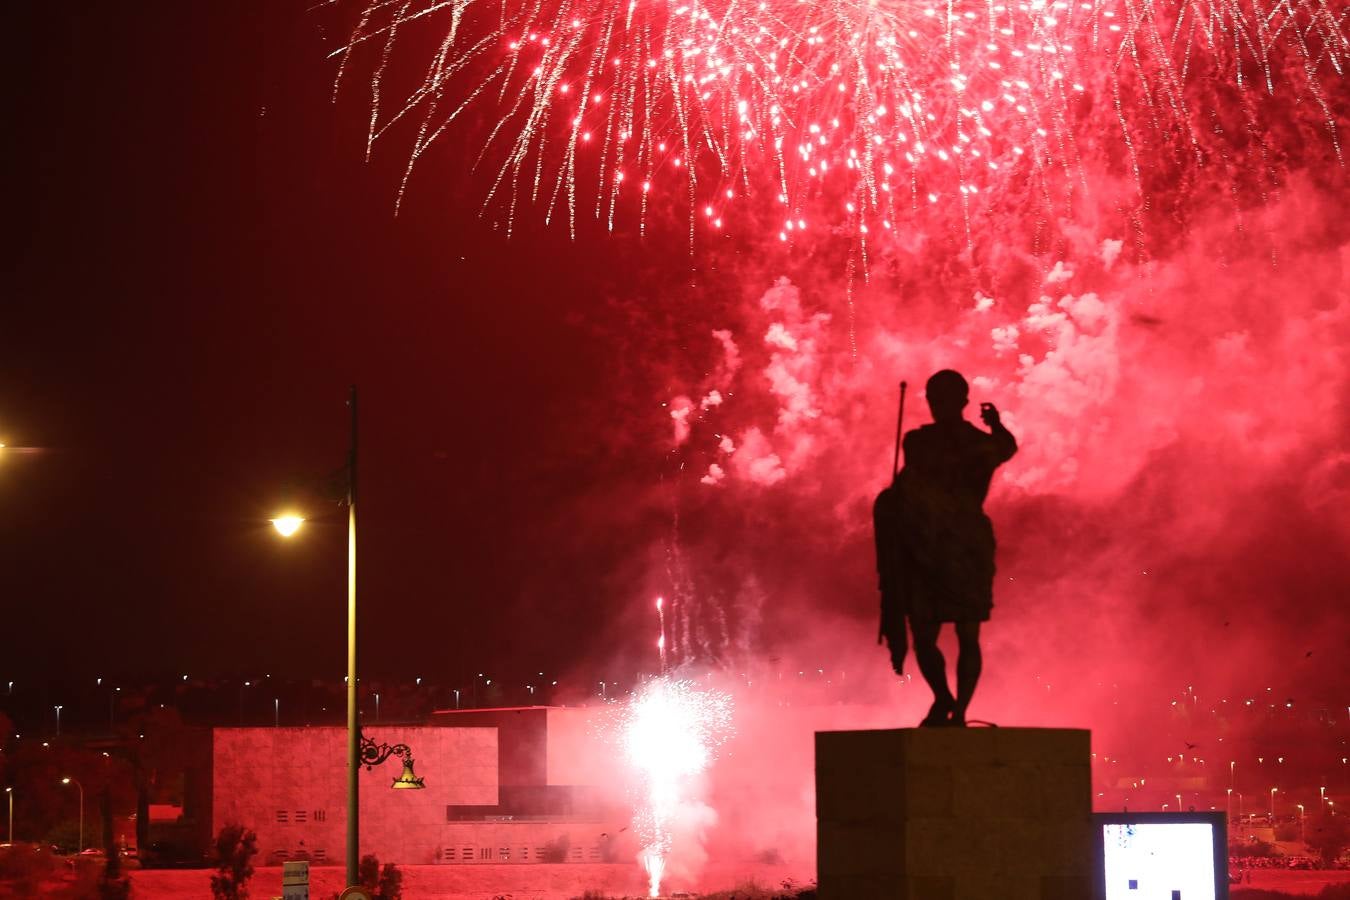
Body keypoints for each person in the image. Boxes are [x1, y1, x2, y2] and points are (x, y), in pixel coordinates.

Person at [874, 369, 1017, 726]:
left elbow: (1006, 448)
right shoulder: (925, 442)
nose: (939, 407)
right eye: (936, 400)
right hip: (930, 547)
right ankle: (945, 700)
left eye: (945, 400)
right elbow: (907, 489)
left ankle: (958, 710)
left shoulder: (965, 443)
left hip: (961, 547)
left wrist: (995, 426)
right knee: (924, 633)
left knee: (966, 632)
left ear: (961, 402)